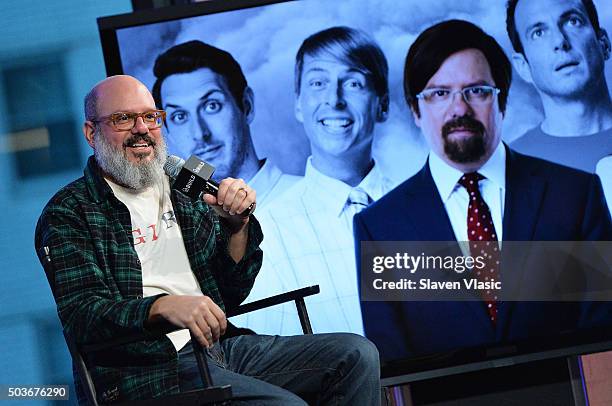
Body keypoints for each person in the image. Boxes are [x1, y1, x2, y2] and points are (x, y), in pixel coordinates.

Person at [34, 75, 381, 405]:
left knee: (355, 356)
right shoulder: (70, 212)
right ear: (91, 132)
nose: (142, 130)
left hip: (220, 347)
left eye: (151, 117)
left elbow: (230, 292)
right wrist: (163, 307)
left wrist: (237, 227)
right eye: (124, 119)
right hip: (146, 371)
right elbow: (83, 316)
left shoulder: (183, 186)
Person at [354, 20, 612, 362]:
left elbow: (604, 334)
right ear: (416, 110)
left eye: (476, 90)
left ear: (501, 101)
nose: (459, 108)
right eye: (439, 93)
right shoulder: (381, 228)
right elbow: (393, 361)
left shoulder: (575, 196)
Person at [233, 26, 392, 336]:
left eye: (353, 82)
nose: (334, 99)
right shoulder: (266, 232)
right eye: (318, 83)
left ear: (382, 104)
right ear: (298, 105)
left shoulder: (425, 208)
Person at [152, 40, 299, 208]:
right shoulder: (168, 220)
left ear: (246, 106)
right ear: (168, 131)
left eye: (211, 106)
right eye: (179, 116)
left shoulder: (310, 197)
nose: (200, 133)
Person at [506, 0, 612, 173]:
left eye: (573, 21)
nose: (560, 41)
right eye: (538, 33)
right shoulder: (510, 169)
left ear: (604, 44)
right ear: (523, 67)